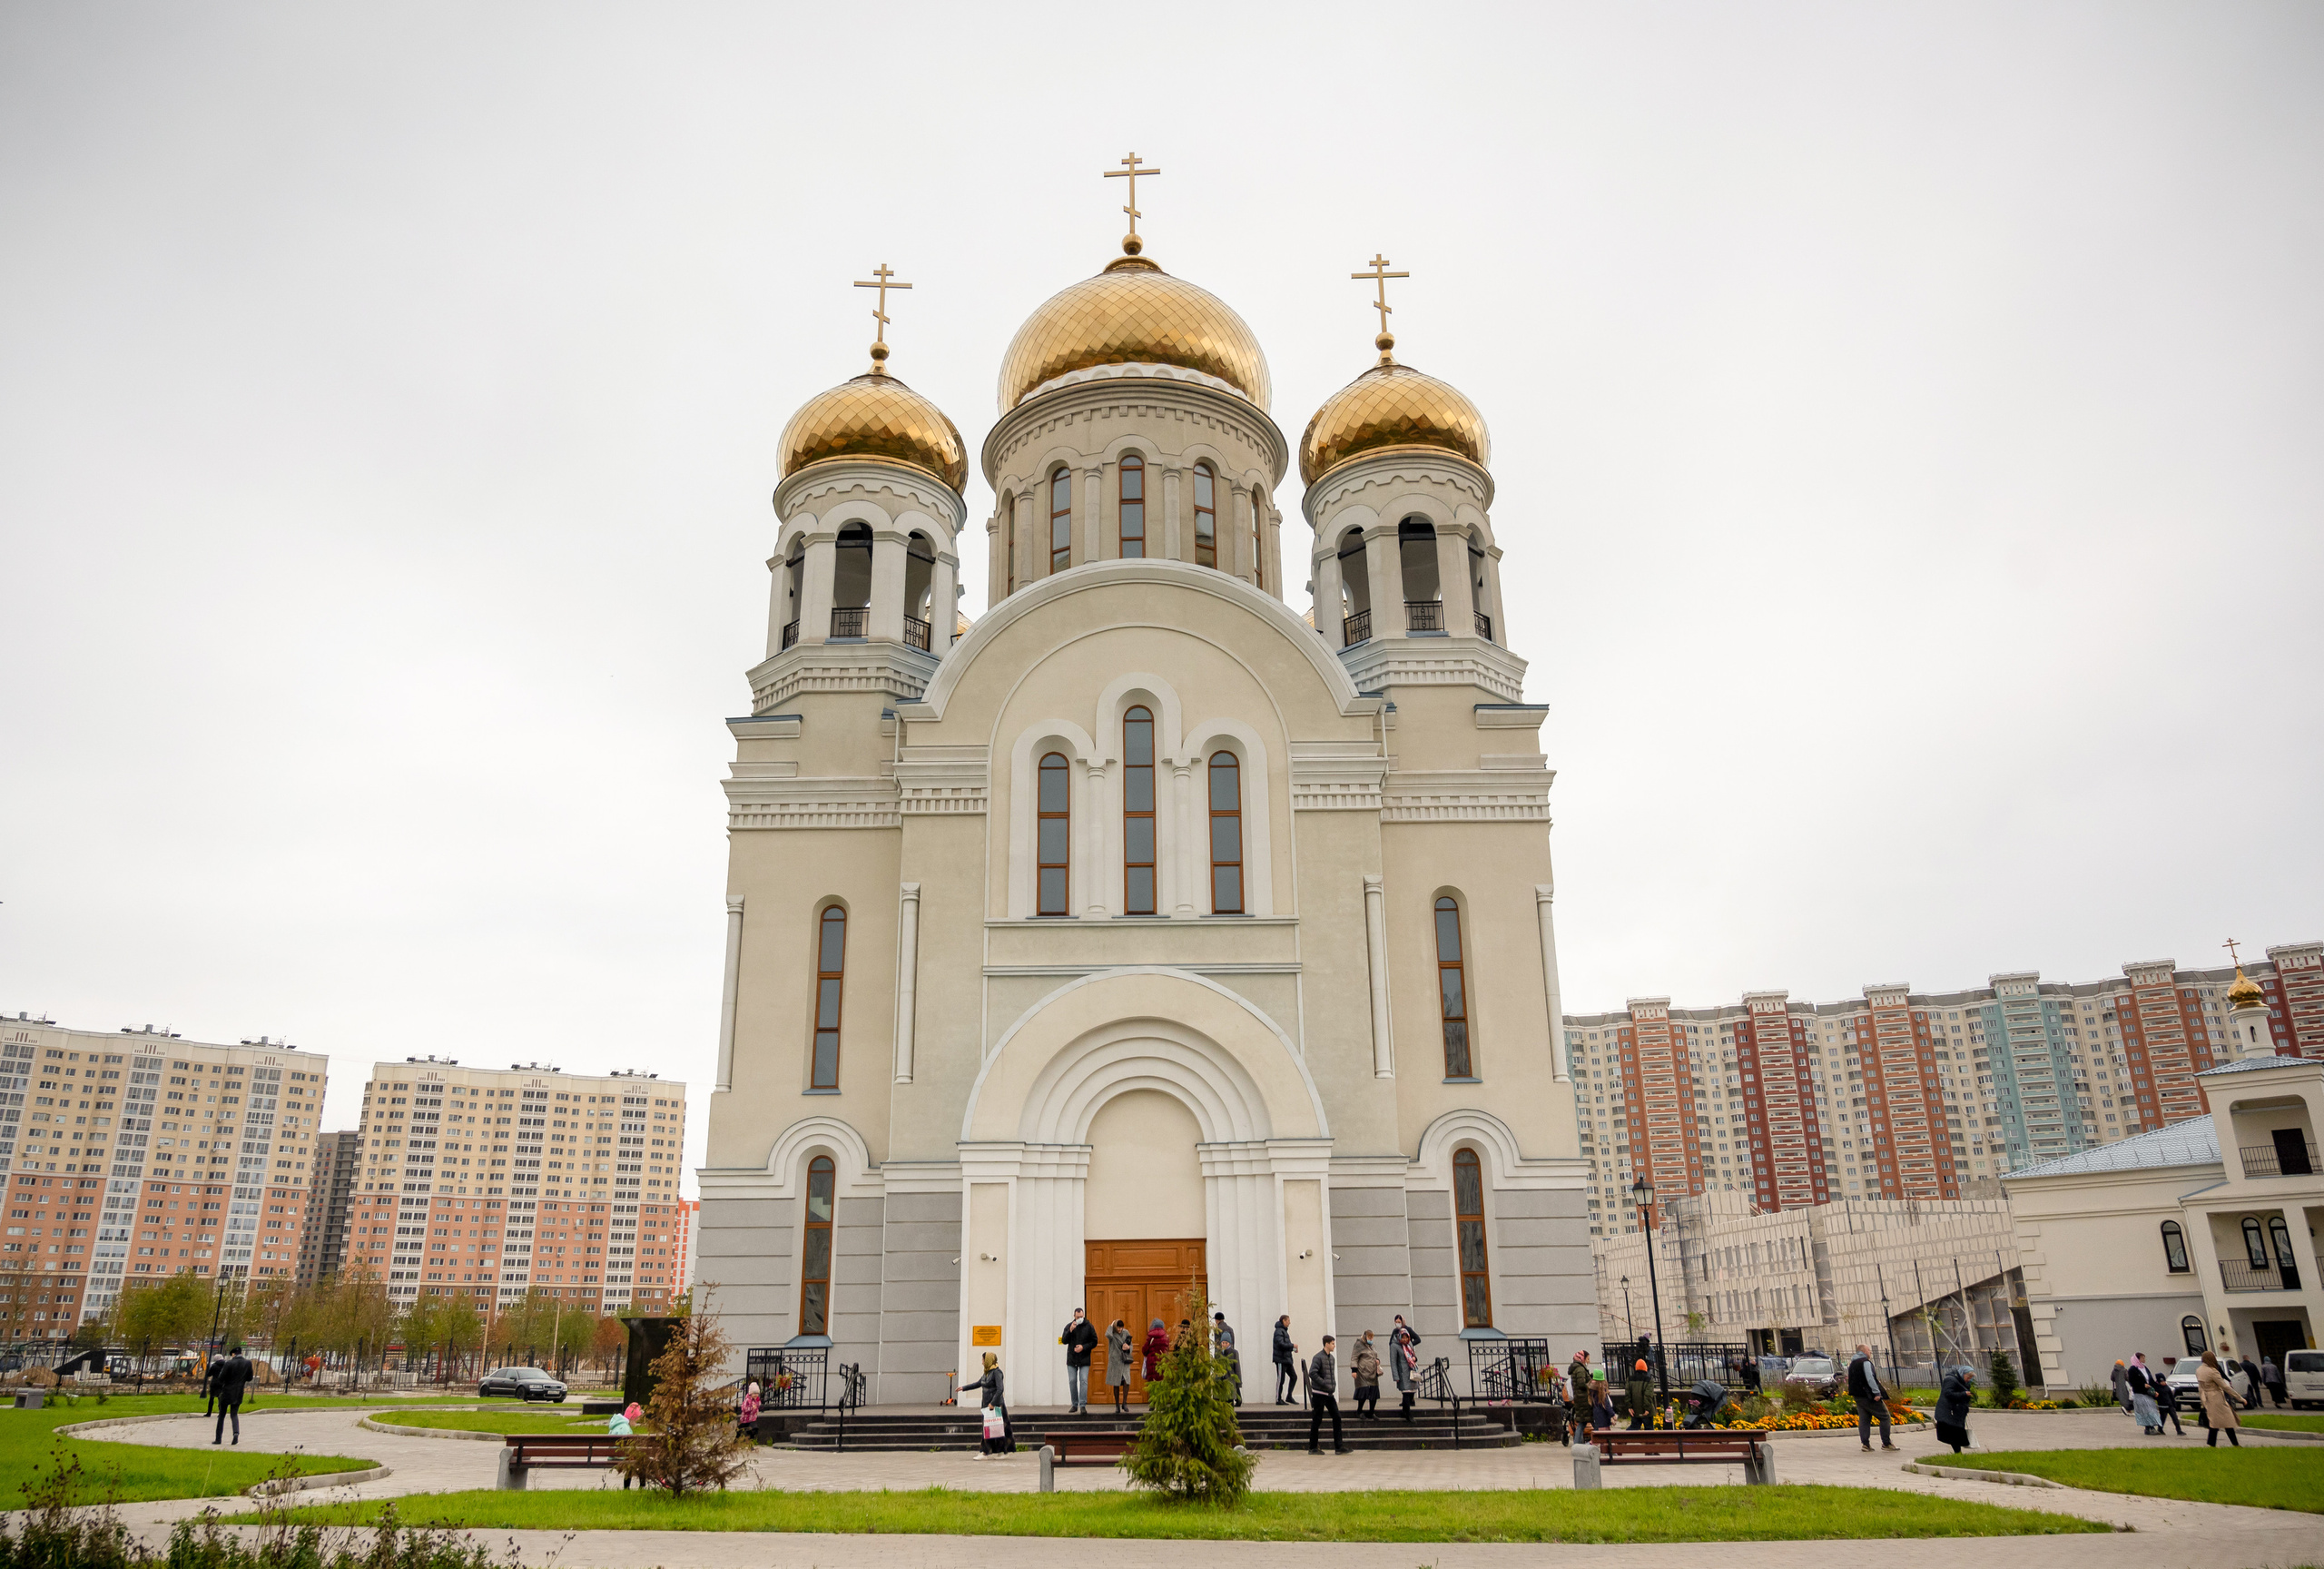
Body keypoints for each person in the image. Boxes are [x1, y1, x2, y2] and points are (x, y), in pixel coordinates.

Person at [1846, 1344, 1895, 1453]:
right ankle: (1886, 1443)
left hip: (1857, 1395)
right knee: (1885, 1416)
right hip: (1868, 1395)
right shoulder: (1865, 1363)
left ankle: (1865, 1444)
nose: (1870, 1352)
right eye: (1869, 1350)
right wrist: (1876, 1393)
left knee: (1864, 1419)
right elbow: (1870, 1378)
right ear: (1863, 1351)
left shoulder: (1853, 1363)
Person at [964, 1351, 1013, 1457]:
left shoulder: (997, 1372)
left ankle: (987, 1452)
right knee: (991, 1429)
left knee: (995, 1429)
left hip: (995, 1406)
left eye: (983, 1360)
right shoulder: (987, 1372)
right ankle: (996, 1451)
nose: (982, 1362)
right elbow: (978, 1383)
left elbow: (1000, 1389)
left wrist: (993, 1403)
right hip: (987, 1405)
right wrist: (963, 1388)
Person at [1306, 1335, 1348, 1454]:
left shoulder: (1332, 1358)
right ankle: (1313, 1447)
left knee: (1337, 1417)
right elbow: (1312, 1373)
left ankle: (1339, 1447)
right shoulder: (1318, 1357)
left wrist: (1332, 1386)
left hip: (1329, 1394)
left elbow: (1331, 1375)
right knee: (1317, 1419)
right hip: (1319, 1393)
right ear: (1327, 1344)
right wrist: (1324, 1383)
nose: (1334, 1346)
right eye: (1333, 1343)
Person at [211, 1345, 253, 1446]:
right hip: (239, 1392)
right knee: (234, 1414)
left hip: (227, 1392)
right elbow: (250, 1378)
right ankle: (236, 1433)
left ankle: (218, 1439)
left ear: (233, 1354)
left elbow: (221, 1377)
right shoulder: (248, 1363)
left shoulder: (229, 1363)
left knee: (222, 1415)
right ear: (241, 1353)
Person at [2196, 1350, 2240, 1446]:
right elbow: (2224, 1386)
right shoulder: (2212, 1371)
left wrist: (2202, 1401)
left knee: (2215, 1422)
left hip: (2206, 1397)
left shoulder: (2199, 1370)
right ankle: (2235, 1444)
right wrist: (2240, 1398)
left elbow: (2200, 1387)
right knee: (2227, 1421)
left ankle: (2212, 1444)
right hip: (2216, 1397)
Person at [1059, 1308, 1098, 1416]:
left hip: (1084, 1358)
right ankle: (1074, 1404)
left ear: (1083, 1315)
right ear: (1074, 1316)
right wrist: (1070, 1330)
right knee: (1072, 1381)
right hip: (1072, 1359)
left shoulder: (1089, 1326)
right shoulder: (1069, 1326)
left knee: (1084, 1380)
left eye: (1081, 1317)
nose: (1080, 1319)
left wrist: (1083, 1347)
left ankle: (1083, 1405)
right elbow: (1064, 1340)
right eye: (1077, 1317)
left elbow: (1094, 1341)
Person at [1934, 1366, 1974, 1454]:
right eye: (1968, 1377)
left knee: (1956, 1432)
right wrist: (1963, 1394)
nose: (1969, 1380)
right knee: (1954, 1432)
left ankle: (1958, 1453)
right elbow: (1948, 1393)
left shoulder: (1961, 1382)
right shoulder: (1950, 1380)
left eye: (1971, 1378)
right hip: (1948, 1411)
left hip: (1956, 1411)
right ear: (1963, 1374)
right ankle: (1958, 1453)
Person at [1390, 1316, 1421, 1422]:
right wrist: (1396, 1376)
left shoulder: (1409, 1344)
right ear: (1399, 1337)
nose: (1405, 1339)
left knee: (1411, 1392)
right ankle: (1408, 1414)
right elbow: (1393, 1362)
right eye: (1402, 1338)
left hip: (1412, 1371)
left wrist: (1414, 1358)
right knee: (1406, 1393)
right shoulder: (1395, 1346)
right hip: (1402, 1373)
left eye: (1406, 1337)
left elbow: (1414, 1355)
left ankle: (1404, 1411)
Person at [1350, 1331, 1383, 1420]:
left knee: (1374, 1392)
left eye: (1372, 1338)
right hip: (1362, 1372)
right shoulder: (1358, 1345)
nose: (1371, 1340)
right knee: (1363, 1392)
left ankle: (1371, 1412)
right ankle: (1359, 1411)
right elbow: (1354, 1357)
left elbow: (1375, 1355)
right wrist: (1354, 1370)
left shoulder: (1372, 1346)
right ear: (1365, 1337)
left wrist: (1378, 1361)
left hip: (1372, 1373)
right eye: (1369, 1338)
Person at [2125, 1355, 2162, 1435]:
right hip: (2140, 1393)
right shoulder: (2133, 1369)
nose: (2144, 1359)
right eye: (2142, 1357)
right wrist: (2142, 1385)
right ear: (2137, 1359)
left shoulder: (2145, 1368)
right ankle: (2149, 1428)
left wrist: (2156, 1390)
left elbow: (2150, 1379)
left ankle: (2151, 1427)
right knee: (2146, 1410)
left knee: (2152, 1409)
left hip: (2148, 1392)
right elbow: (2132, 1381)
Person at [1105, 1318, 1133, 1416]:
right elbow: (1107, 1335)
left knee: (1127, 1381)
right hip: (1115, 1361)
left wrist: (1129, 1348)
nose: (1120, 1329)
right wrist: (1111, 1325)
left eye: (1121, 1327)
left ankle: (1124, 1403)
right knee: (1115, 1382)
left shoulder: (1126, 1333)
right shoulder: (1112, 1333)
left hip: (1124, 1360)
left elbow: (1131, 1343)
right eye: (1118, 1327)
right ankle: (1117, 1404)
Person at [1212, 1312, 1241, 1405]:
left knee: (1225, 1378)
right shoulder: (1230, 1329)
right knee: (1232, 1378)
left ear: (1217, 1320)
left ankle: (1233, 1399)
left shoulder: (1218, 1329)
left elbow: (1217, 1345)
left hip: (1222, 1356)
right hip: (1230, 1355)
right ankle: (1238, 1398)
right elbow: (1232, 1342)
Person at [2154, 1357, 2187, 1436]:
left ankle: (2179, 1430)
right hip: (2162, 1406)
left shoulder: (2167, 1387)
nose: (2163, 1383)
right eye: (2162, 1381)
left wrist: (2174, 1404)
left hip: (2170, 1405)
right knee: (2162, 1418)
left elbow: (2171, 1396)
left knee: (2175, 1418)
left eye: (2164, 1381)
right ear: (2158, 1382)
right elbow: (2156, 1396)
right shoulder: (2157, 1388)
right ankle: (2160, 1429)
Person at [1273, 1315, 1298, 1404]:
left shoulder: (1284, 1332)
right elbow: (1281, 1344)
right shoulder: (1279, 1331)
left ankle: (1289, 1396)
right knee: (1281, 1379)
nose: (1289, 1322)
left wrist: (1294, 1349)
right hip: (1281, 1359)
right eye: (1288, 1321)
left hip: (1287, 1359)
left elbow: (1287, 1345)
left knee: (1294, 1377)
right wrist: (1292, 1346)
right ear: (1284, 1321)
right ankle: (1278, 1399)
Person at [1624, 1358, 1656, 1429]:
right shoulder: (1649, 1380)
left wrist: (1629, 1406)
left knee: (1634, 1427)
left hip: (1635, 1409)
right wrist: (1647, 1408)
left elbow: (1627, 1394)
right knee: (1649, 1429)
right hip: (1647, 1411)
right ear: (1645, 1368)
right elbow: (1648, 1395)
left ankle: (1623, 1438)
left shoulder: (1629, 1379)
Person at [1142, 1318, 1171, 1384]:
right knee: (1162, 1385)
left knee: (1152, 1386)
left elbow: (1144, 1351)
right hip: (1162, 1363)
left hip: (1151, 1365)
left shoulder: (1150, 1337)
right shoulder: (1166, 1337)